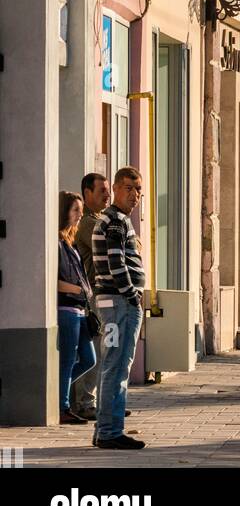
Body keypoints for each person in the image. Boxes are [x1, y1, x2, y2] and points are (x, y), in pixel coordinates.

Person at [92, 166, 146, 449]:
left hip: (113, 303)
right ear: (115, 188)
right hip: (119, 304)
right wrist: (132, 295)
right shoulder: (115, 221)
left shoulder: (115, 219)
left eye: (139, 190)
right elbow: (116, 263)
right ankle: (110, 432)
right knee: (117, 366)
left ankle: (103, 428)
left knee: (110, 366)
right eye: (129, 188)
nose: (135, 195)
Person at [70, 173, 110, 421]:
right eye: (102, 191)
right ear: (87, 193)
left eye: (108, 191)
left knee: (106, 350)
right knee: (94, 350)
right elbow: (116, 244)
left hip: (104, 294)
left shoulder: (101, 220)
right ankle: (84, 402)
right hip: (94, 295)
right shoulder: (87, 223)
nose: (107, 195)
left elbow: (131, 245)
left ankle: (98, 401)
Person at [57, 192, 97, 425]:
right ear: (64, 212)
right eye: (75, 211)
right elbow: (53, 280)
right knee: (68, 358)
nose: (79, 216)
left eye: (81, 212)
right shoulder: (57, 244)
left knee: (88, 359)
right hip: (67, 309)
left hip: (81, 310)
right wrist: (75, 290)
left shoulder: (70, 244)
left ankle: (54, 392)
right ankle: (61, 405)